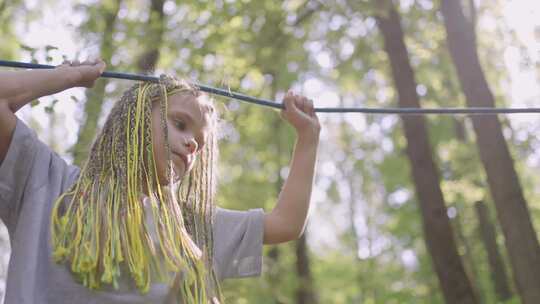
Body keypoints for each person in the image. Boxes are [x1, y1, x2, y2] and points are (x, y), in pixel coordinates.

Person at [0, 58, 320, 303]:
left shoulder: (188, 229)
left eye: (200, 144)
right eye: (180, 124)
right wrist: (65, 77)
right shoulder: (47, 180)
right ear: (134, 118)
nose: (192, 145)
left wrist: (308, 136)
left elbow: (285, 223)